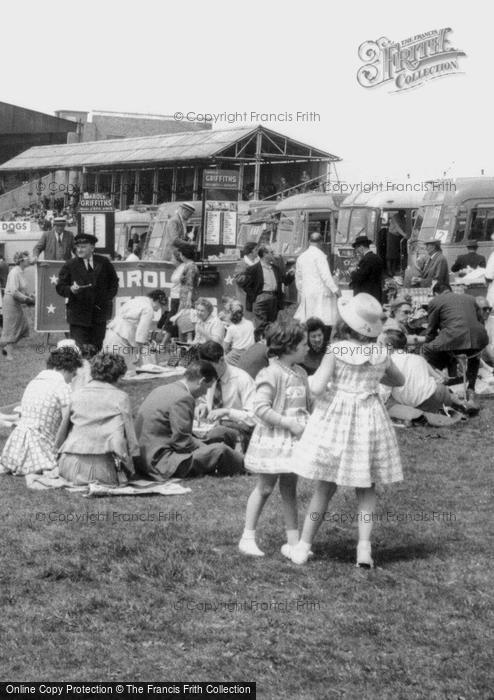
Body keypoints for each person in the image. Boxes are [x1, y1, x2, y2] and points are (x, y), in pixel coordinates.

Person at [285, 293, 405, 568]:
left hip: (337, 419)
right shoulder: (380, 352)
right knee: (366, 486)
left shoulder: (337, 350)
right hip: (369, 417)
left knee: (325, 485)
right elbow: (399, 379)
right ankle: (364, 549)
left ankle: (303, 546)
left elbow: (315, 388)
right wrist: (376, 374)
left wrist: (322, 384)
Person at [238, 320, 311, 557]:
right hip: (273, 440)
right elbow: (260, 408)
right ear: (288, 347)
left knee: (290, 488)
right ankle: (247, 537)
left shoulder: (300, 373)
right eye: (303, 344)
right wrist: (287, 423)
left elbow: (308, 404)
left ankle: (293, 542)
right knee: (266, 487)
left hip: (294, 442)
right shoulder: (271, 373)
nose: (308, 348)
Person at [135, 360, 244, 480]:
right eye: (207, 388)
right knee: (220, 450)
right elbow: (182, 444)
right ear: (201, 381)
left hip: (144, 458)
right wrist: (206, 449)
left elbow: (180, 437)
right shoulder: (184, 398)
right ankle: (249, 466)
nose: (205, 392)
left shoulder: (163, 389)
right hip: (160, 463)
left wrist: (202, 445)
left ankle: (237, 455)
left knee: (220, 433)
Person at [58, 353, 139, 486]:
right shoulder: (120, 397)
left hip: (68, 466)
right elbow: (130, 439)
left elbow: (62, 432)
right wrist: (132, 463)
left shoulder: (76, 395)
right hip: (102, 470)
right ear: (118, 375)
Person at [0, 347, 82, 475]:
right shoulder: (62, 387)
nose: (72, 379)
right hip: (41, 447)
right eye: (73, 374)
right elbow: (69, 421)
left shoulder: (34, 382)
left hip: (16, 446)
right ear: (66, 369)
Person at [422, 283, 489, 397]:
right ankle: (471, 388)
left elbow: (431, 329)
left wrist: (427, 343)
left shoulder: (436, 300)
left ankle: (436, 386)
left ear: (436, 294)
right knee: (474, 355)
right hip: (480, 338)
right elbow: (480, 321)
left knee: (427, 350)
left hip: (454, 338)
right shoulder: (471, 298)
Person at [55, 233, 119, 351]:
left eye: (83, 247)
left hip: (99, 316)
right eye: (78, 247)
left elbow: (114, 282)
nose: (79, 250)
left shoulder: (103, 262)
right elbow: (60, 287)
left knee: (97, 348)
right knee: (81, 349)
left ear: (92, 248)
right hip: (78, 317)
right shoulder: (70, 265)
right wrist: (71, 290)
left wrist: (107, 298)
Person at [382, 329, 468, 413]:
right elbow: (438, 379)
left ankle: (444, 410)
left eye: (381, 344)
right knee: (438, 395)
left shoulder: (387, 363)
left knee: (393, 406)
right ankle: (459, 404)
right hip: (439, 391)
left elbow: (385, 391)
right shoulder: (418, 358)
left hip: (421, 402)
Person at [196, 340, 256, 452]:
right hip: (214, 426)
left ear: (222, 360)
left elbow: (254, 418)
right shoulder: (211, 375)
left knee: (214, 435)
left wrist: (227, 411)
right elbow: (206, 400)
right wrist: (203, 406)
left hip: (239, 429)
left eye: (211, 367)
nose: (207, 372)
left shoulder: (242, 379)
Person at [103, 290, 168, 366]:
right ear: (156, 300)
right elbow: (141, 333)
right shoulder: (148, 309)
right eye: (159, 306)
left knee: (105, 364)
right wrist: (139, 353)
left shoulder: (137, 300)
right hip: (121, 338)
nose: (157, 309)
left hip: (111, 333)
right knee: (117, 367)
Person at [294, 231, 341, 335]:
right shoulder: (320, 256)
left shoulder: (301, 257)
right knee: (323, 320)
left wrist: (302, 292)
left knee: (309, 321)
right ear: (321, 242)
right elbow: (325, 275)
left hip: (307, 294)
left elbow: (298, 279)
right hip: (320, 293)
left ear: (309, 241)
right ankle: (323, 344)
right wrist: (336, 290)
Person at [244, 246, 289, 335]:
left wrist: (291, 275)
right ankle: (261, 345)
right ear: (265, 254)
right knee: (261, 326)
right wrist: (256, 297)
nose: (273, 254)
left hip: (274, 299)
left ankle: (270, 345)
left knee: (273, 325)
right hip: (261, 298)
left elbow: (285, 281)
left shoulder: (275, 268)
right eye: (271, 252)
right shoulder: (253, 269)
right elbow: (246, 285)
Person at [0, 251, 35, 360]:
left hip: (16, 302)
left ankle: (4, 346)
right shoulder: (15, 272)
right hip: (11, 301)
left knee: (23, 326)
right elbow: (14, 291)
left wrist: (28, 295)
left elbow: (20, 289)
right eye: (27, 259)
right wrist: (27, 299)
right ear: (21, 261)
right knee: (12, 327)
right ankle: (8, 354)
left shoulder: (20, 271)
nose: (29, 260)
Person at [170, 239, 200, 342]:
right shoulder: (190, 266)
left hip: (187, 298)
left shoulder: (190, 267)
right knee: (184, 321)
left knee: (186, 322)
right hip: (185, 297)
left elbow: (190, 284)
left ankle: (186, 345)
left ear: (183, 255)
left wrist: (188, 299)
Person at [349, 236, 384, 303]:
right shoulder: (378, 258)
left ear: (361, 248)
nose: (357, 252)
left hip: (366, 296)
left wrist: (352, 272)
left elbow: (359, 277)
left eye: (357, 249)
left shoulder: (366, 260)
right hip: (376, 295)